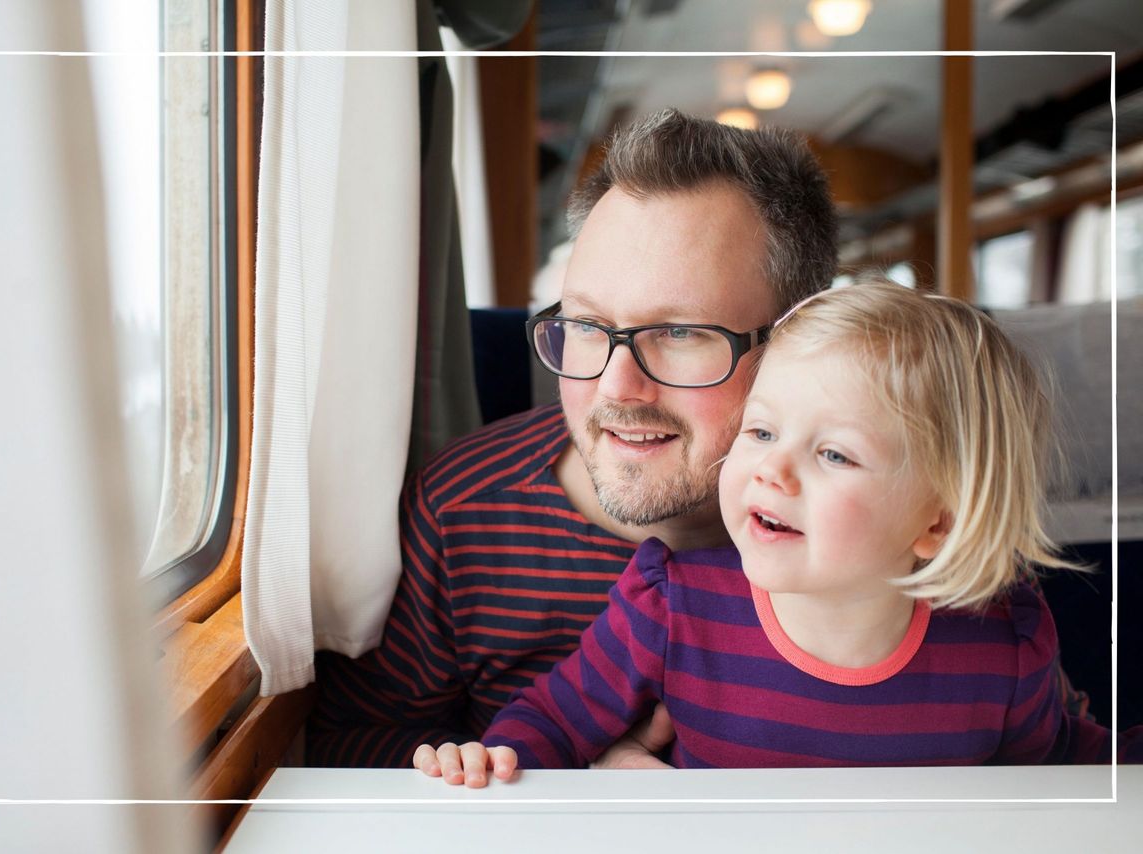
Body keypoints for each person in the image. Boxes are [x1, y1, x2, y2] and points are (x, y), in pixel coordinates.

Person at [414, 281, 1133, 786]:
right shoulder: (671, 606)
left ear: (936, 522)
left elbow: (1067, 774)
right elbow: (552, 723)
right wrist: (492, 762)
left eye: (833, 454)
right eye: (761, 431)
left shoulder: (1002, 642)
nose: (769, 471)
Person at [305, 108, 840, 767]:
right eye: (587, 325)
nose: (617, 390)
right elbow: (352, 746)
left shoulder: (900, 516)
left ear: (798, 341)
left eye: (678, 333)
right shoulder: (463, 512)